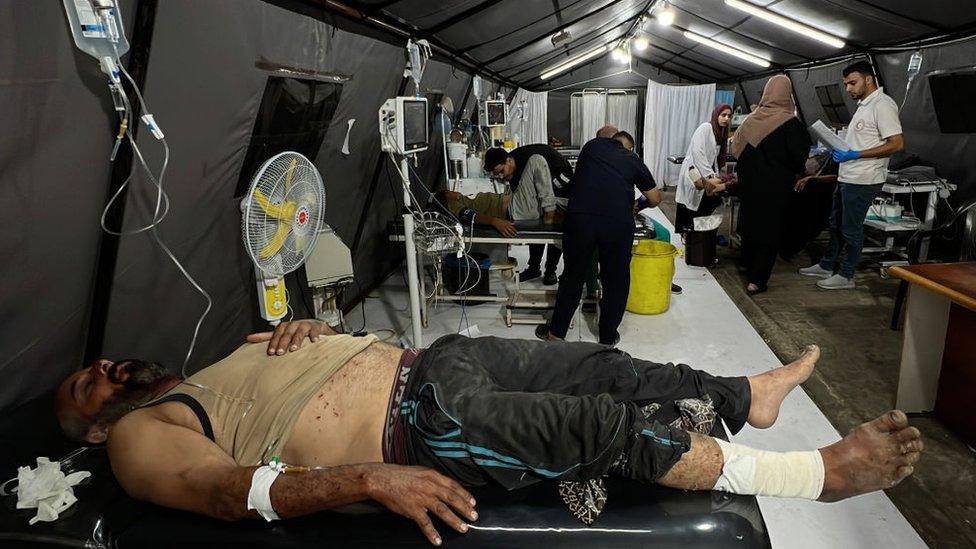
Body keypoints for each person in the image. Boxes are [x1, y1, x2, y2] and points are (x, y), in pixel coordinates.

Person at [56, 319, 922, 546]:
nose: (104, 367)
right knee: (590, 423)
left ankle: (746, 392)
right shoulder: (142, 434)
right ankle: (817, 474)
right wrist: (367, 479)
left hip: (438, 359)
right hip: (419, 424)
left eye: (97, 360)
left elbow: (298, 372)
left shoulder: (217, 361)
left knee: (608, 367)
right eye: (84, 384)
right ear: (93, 429)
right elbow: (226, 493)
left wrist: (312, 328)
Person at [540, 125, 662, 346]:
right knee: (615, 279)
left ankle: (556, 334)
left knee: (573, 276)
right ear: (629, 147)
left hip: (581, 220)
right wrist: (637, 204)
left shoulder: (591, 147)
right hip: (617, 223)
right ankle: (606, 336)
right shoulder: (633, 159)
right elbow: (655, 198)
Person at [799, 61, 905, 290]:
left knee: (851, 228)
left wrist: (857, 154)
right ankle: (827, 264)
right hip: (848, 176)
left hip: (864, 179)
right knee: (835, 223)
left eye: (852, 83)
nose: (848, 89)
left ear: (868, 79)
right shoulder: (864, 105)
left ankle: (846, 275)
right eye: (846, 84)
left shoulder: (883, 105)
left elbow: (896, 143)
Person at [732, 75, 812, 295]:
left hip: (749, 185)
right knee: (769, 231)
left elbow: (735, 150)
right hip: (775, 188)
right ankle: (756, 280)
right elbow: (799, 158)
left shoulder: (751, 119)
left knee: (749, 224)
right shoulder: (790, 123)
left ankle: (747, 265)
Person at [484, 146, 574, 285]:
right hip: (542, 186)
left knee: (554, 223)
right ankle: (533, 268)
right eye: (498, 175)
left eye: (501, 171)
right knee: (535, 219)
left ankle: (550, 270)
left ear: (508, 160)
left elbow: (550, 199)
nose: (501, 176)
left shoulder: (532, 159)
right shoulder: (512, 172)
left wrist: (549, 212)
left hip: (561, 179)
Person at [433, 168, 560, 238]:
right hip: (515, 209)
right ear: (446, 195)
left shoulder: (462, 200)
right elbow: (472, 216)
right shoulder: (453, 205)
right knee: (535, 161)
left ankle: (557, 211)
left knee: (558, 201)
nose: (454, 191)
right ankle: (551, 214)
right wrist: (495, 221)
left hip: (517, 204)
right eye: (449, 191)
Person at [675, 104, 732, 233]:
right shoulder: (706, 128)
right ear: (716, 115)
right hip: (694, 172)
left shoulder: (721, 133)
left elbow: (714, 158)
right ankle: (687, 238)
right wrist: (710, 176)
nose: (726, 118)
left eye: (729, 116)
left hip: (706, 174)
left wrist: (714, 175)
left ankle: (699, 236)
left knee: (706, 206)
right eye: (723, 115)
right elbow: (697, 152)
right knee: (689, 209)